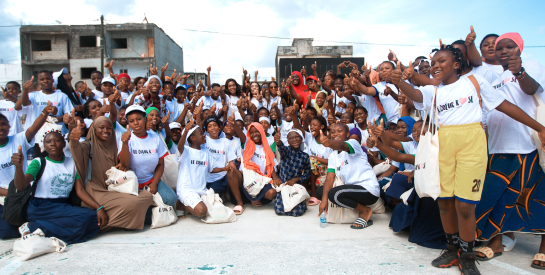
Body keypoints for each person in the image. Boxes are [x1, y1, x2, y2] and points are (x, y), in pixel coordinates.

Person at [391, 44, 545, 275]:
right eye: (432, 63)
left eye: (441, 61)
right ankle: (452, 248)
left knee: (465, 204)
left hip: (471, 144)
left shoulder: (474, 83)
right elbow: (414, 94)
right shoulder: (434, 91)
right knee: (444, 203)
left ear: (456, 64)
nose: (435, 66)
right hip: (443, 145)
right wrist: (398, 80)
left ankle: (468, 254)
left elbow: (506, 106)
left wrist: (539, 128)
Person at [473, 33, 545, 270]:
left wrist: (520, 71)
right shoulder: (495, 77)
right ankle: (496, 242)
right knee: (497, 196)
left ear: (520, 48)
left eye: (509, 46)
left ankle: (543, 248)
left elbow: (533, 89)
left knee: (535, 198)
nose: (502, 50)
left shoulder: (530, 64)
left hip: (526, 144)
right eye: (498, 47)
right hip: (498, 145)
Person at [13, 130, 105, 244]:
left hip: (61, 205)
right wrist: (18, 167)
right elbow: (21, 186)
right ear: (44, 145)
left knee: (92, 217)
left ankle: (38, 228)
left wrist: (98, 208)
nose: (53, 144)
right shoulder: (39, 162)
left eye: (57, 140)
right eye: (48, 141)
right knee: (82, 220)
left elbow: (80, 190)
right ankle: (32, 226)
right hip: (40, 206)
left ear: (64, 144)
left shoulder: (71, 163)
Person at [69, 116, 153, 232]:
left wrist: (124, 146)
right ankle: (100, 226)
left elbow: (123, 164)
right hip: (94, 191)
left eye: (109, 128)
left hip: (112, 188)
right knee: (132, 203)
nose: (105, 130)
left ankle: (115, 220)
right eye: (101, 127)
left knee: (147, 196)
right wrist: (73, 140)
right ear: (94, 130)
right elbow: (76, 150)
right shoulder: (88, 146)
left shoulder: (113, 146)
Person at [0, 101, 55, 239]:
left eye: (3, 124)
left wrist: (45, 112)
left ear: (9, 126)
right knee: (6, 231)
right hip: (4, 195)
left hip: (23, 190)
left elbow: (32, 129)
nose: (1, 128)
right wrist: (10, 193)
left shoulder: (17, 139)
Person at [317, 123, 380, 229]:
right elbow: (330, 178)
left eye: (339, 131)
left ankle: (365, 211)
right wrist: (324, 200)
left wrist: (329, 143)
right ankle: (354, 209)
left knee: (334, 194)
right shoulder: (333, 155)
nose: (335, 133)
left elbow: (342, 145)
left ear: (347, 134)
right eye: (333, 132)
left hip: (368, 190)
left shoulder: (353, 143)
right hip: (352, 190)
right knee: (321, 192)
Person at [118, 105, 177, 208]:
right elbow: (124, 164)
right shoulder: (126, 138)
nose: (136, 123)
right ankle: (150, 210)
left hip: (150, 180)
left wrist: (154, 183)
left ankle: (146, 210)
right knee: (131, 205)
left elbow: (160, 164)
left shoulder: (155, 137)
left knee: (171, 199)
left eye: (139, 119)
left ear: (145, 119)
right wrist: (125, 143)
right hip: (132, 182)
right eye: (131, 121)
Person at [176, 120, 231, 218]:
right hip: (187, 190)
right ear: (193, 138)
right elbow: (180, 147)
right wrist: (185, 131)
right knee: (202, 211)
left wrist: (224, 168)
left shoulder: (206, 152)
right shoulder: (186, 151)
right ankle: (181, 202)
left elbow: (212, 169)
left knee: (218, 210)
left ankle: (190, 203)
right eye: (201, 134)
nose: (204, 135)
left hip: (202, 190)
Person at [202, 115, 245, 214]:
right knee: (212, 200)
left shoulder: (225, 141)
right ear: (206, 130)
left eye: (215, 125)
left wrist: (234, 175)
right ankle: (223, 194)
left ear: (219, 127)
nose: (213, 128)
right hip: (208, 178)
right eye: (210, 126)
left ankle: (240, 203)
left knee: (231, 171)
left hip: (222, 176)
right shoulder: (204, 141)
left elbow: (231, 161)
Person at [240, 123, 281, 207]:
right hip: (250, 178)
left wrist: (275, 177)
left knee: (272, 193)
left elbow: (270, 165)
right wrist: (234, 124)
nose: (254, 134)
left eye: (257, 131)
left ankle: (255, 197)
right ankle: (252, 198)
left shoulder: (266, 147)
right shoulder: (248, 144)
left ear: (262, 132)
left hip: (262, 179)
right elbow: (241, 136)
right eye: (251, 132)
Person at [273, 129, 310, 217]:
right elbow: (281, 148)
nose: (294, 140)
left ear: (301, 139)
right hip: (284, 186)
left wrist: (296, 179)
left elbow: (307, 174)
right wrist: (278, 142)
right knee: (280, 210)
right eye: (291, 138)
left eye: (296, 137)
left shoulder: (305, 156)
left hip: (296, 186)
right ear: (288, 141)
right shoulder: (286, 152)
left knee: (298, 212)